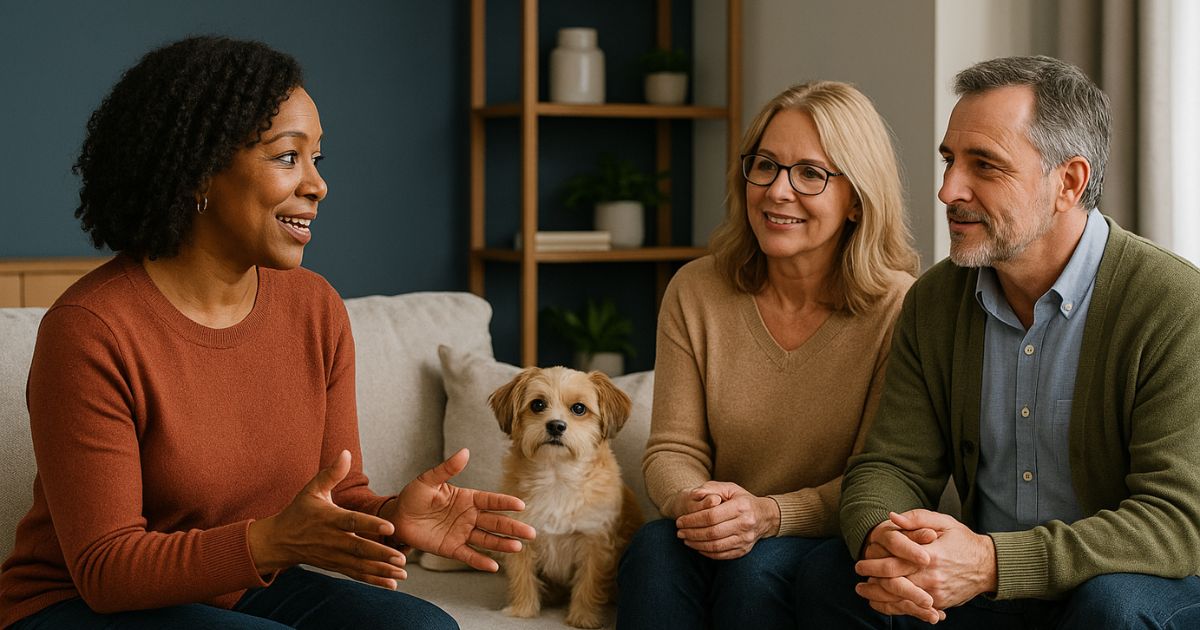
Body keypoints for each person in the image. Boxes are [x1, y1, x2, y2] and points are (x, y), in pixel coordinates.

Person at [0, 36, 536, 629]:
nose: (317, 185)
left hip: (240, 584)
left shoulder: (315, 308)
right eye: (287, 157)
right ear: (198, 171)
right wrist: (270, 543)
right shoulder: (91, 330)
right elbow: (106, 570)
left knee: (424, 628)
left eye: (317, 158)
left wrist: (394, 518)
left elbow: (337, 498)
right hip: (79, 604)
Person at [795, 55, 1200, 628]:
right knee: (830, 576)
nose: (947, 190)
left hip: (1121, 586)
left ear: (1068, 182)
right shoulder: (936, 300)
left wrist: (992, 562)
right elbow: (891, 465)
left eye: (984, 165)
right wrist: (888, 539)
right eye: (949, 160)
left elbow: (1177, 522)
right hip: (984, 594)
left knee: (1113, 607)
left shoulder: (1173, 302)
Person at [616, 81, 919, 629]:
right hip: (720, 526)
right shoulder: (696, 290)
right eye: (766, 165)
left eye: (810, 174)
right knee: (655, 548)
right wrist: (696, 503)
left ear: (856, 199)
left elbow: (881, 478)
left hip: (824, 537)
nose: (778, 191)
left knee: (754, 572)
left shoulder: (899, 308)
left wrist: (769, 514)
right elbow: (673, 447)